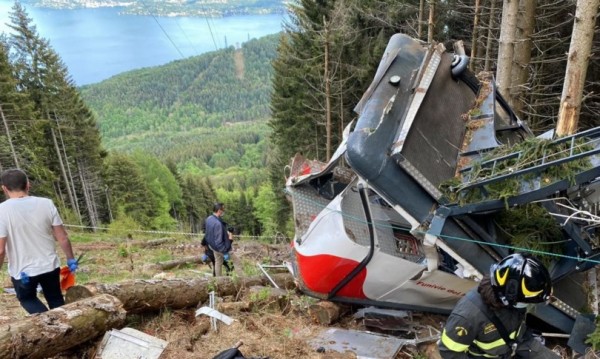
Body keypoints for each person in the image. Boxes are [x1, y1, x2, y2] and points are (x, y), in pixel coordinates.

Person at [438, 253, 560, 358]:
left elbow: (519, 335)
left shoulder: (511, 301)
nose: (526, 306)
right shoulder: (468, 316)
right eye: (526, 302)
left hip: (516, 345)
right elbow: (449, 351)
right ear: (508, 297)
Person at [0, 169, 78, 314]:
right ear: (28, 185)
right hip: (50, 265)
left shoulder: (2, 211)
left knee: (28, 299)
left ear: (4, 188)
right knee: (55, 299)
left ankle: (48, 323)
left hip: (23, 271)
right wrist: (70, 259)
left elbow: (1, 250)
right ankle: (64, 325)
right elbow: (62, 237)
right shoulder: (46, 204)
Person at [204, 202, 232, 277]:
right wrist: (225, 252)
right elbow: (218, 241)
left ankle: (218, 280)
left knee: (218, 262)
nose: (224, 211)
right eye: (223, 209)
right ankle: (241, 281)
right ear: (219, 210)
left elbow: (207, 234)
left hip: (212, 247)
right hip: (219, 248)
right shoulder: (217, 224)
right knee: (236, 262)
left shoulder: (209, 219)